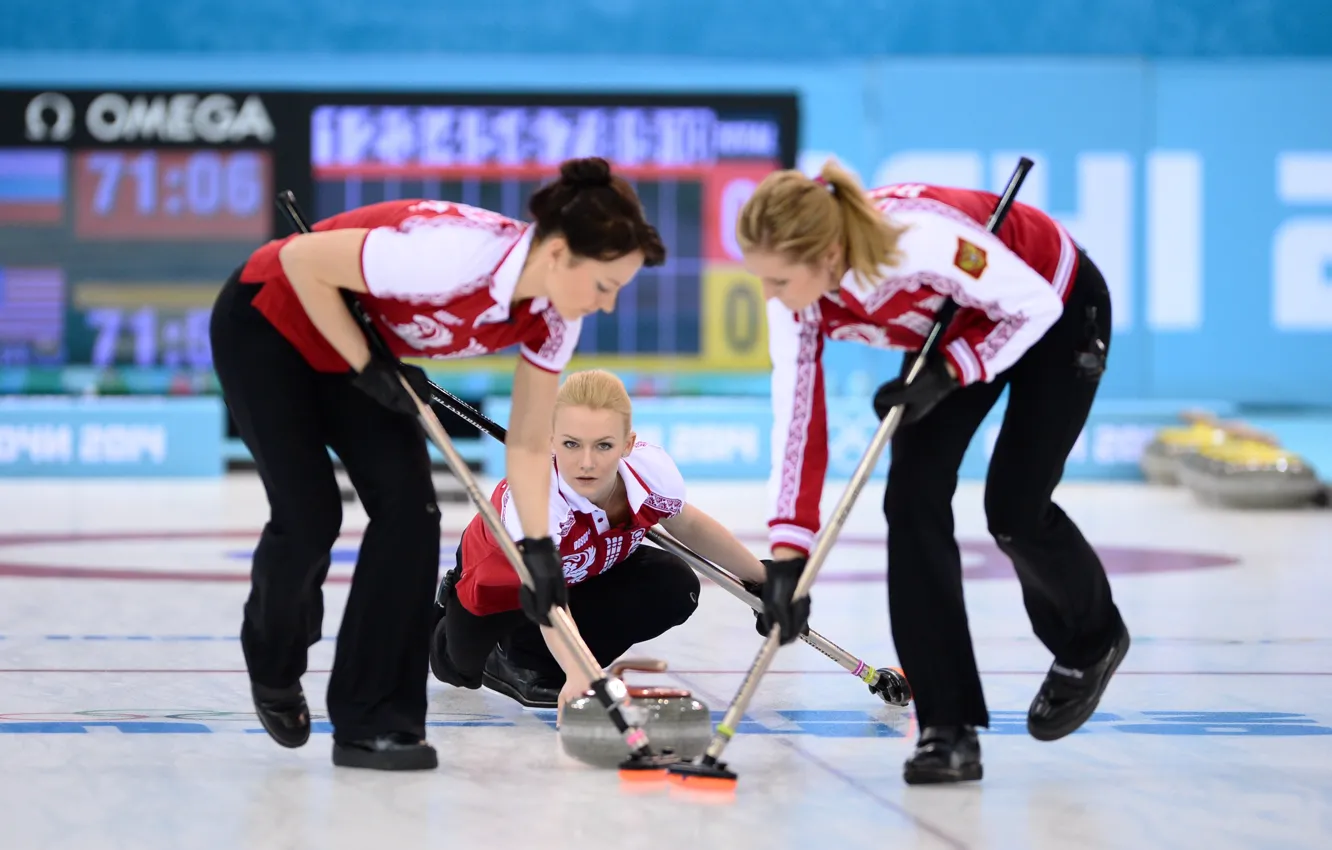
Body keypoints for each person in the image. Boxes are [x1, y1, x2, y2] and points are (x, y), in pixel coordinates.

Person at [209, 157, 666, 771]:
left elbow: (529, 442)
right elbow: (300, 261)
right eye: (604, 286)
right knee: (310, 512)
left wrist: (537, 549)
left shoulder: (557, 317)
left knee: (411, 514)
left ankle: (375, 722)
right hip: (271, 323)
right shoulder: (455, 254)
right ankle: (274, 662)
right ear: (559, 253)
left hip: (357, 345)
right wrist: (368, 368)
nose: (606, 305)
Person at [733, 161, 1130, 785]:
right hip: (958, 327)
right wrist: (789, 558)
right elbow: (798, 418)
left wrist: (951, 372)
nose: (770, 295)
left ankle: (1093, 635)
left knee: (1014, 508)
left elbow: (1031, 305)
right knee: (911, 498)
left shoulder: (915, 241)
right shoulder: (795, 303)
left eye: (779, 279)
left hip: (1054, 305)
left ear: (829, 254)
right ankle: (947, 728)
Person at [429, 368, 773, 721]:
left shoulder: (649, 469)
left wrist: (763, 580)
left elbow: (687, 523)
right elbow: (545, 594)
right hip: (504, 589)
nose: (587, 463)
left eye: (604, 445)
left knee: (673, 585)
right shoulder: (534, 496)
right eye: (571, 444)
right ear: (550, 440)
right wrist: (580, 673)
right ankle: (462, 625)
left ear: (628, 445)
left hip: (581, 573)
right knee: (459, 667)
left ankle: (527, 660)